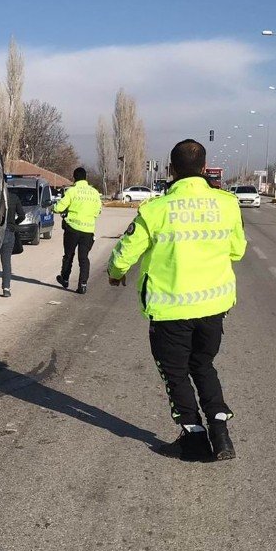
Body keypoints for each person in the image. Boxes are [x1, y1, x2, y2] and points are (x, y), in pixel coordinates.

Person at [107, 139, 246, 462]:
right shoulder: (227, 205)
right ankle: (221, 431)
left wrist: (116, 273)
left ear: (171, 169)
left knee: (176, 373)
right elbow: (237, 250)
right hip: (213, 307)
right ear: (203, 168)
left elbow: (125, 252)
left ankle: (194, 437)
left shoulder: (156, 210)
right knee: (203, 365)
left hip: (170, 310)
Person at [54, 167, 103, 294]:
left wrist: (53, 207)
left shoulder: (72, 191)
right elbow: (98, 212)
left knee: (69, 255)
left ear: (74, 178)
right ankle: (83, 284)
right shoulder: (94, 193)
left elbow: (59, 207)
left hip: (73, 229)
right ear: (86, 177)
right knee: (84, 258)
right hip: (88, 230)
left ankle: (65, 278)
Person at [0, 186, 25, 297]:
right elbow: (22, 216)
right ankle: (6, 288)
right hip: (9, 231)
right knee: (6, 262)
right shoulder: (14, 198)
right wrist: (14, 224)